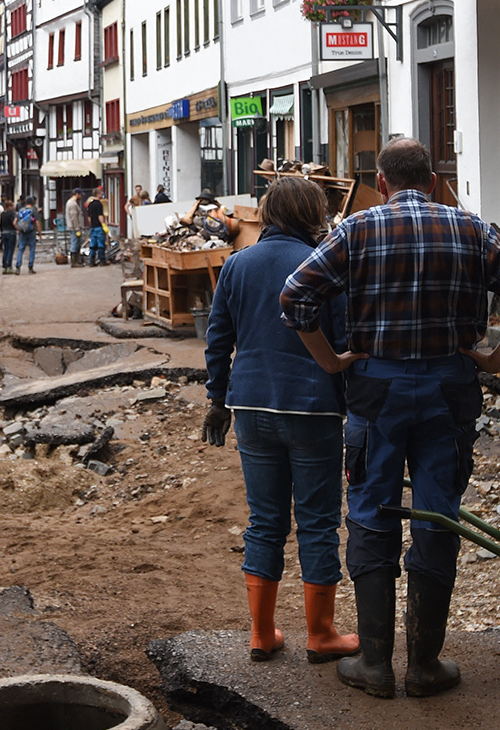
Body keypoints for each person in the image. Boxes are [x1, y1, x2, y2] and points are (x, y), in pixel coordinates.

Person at [280, 139, 500, 700]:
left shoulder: (356, 229)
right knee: (438, 515)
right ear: (431, 181)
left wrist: (330, 359)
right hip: (448, 388)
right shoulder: (472, 229)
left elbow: (295, 296)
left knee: (371, 511)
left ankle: (376, 666)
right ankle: (425, 666)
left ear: (381, 183)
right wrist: (498, 357)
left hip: (377, 389)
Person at [201, 177, 360, 664]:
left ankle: (262, 633)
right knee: (317, 522)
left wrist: (217, 399)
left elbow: (218, 338)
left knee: (264, 521)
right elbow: (342, 338)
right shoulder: (324, 266)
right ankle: (321, 634)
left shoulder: (237, 264)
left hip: (249, 406)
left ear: (269, 213)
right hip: (313, 408)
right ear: (313, 214)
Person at [15, 197, 40, 274]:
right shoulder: (33, 210)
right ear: (32, 202)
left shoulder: (21, 210)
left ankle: (18, 267)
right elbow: (37, 223)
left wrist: (18, 229)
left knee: (21, 249)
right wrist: (40, 233)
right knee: (32, 249)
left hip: (22, 232)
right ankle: (30, 267)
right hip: (31, 231)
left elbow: (15, 222)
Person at [84, 190, 107, 266]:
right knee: (101, 244)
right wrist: (103, 224)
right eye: (101, 194)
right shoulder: (99, 204)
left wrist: (91, 224)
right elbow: (100, 216)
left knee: (93, 245)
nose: (102, 195)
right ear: (98, 194)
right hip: (99, 227)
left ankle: (92, 261)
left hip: (93, 227)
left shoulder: (90, 205)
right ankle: (102, 260)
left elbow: (89, 217)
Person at [64, 190, 86, 263]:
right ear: (77, 194)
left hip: (72, 226)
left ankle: (76, 260)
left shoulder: (70, 202)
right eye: (80, 195)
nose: (81, 197)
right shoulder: (73, 204)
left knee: (77, 243)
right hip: (75, 227)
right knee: (75, 243)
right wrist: (77, 229)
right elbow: (74, 217)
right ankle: (74, 261)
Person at [0, 199, 19, 274]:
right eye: (13, 205)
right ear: (10, 206)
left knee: (5, 250)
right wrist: (18, 229)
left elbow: (0, 224)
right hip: (11, 233)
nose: (14, 206)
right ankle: (9, 266)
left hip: (4, 233)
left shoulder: (3, 214)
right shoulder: (12, 214)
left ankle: (4, 266)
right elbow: (14, 222)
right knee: (10, 250)